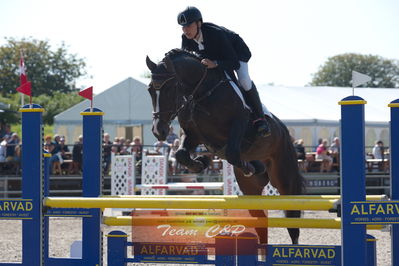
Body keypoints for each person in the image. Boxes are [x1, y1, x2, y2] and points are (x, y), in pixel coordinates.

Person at [177, 6, 270, 137]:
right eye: (183, 27)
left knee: (243, 80)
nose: (185, 30)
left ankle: (260, 118)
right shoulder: (185, 38)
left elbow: (233, 63)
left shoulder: (216, 34)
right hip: (212, 57)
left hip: (236, 54)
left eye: (188, 26)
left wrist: (215, 64)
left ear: (199, 23)